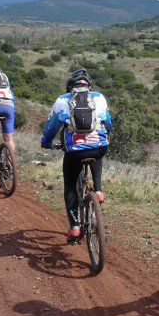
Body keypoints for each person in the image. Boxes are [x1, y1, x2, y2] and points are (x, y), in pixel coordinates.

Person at [40, 69, 112, 243]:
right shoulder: (99, 97)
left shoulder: (62, 100)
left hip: (74, 152)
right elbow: (108, 122)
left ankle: (74, 227)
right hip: (99, 147)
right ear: (88, 85)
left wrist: (46, 142)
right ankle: (99, 191)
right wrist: (105, 134)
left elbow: (51, 127)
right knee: (97, 152)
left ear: (70, 87)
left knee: (70, 186)